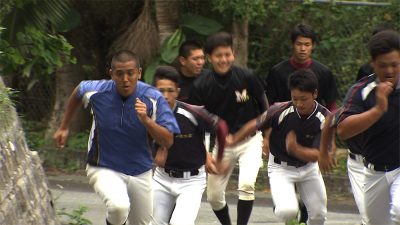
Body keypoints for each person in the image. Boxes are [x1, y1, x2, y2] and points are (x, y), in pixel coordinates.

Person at [52, 50, 180, 225]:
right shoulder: (97, 91)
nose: (125, 79)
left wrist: (146, 120)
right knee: (118, 207)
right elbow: (79, 91)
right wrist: (64, 126)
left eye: (130, 73)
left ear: (139, 73)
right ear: (111, 74)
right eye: (119, 74)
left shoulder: (154, 97)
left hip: (140, 170)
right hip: (103, 165)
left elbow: (168, 141)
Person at [227, 69, 329, 225]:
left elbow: (319, 154)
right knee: (287, 210)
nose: (299, 104)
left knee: (318, 216)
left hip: (309, 169)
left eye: (304, 99)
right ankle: (290, 211)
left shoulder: (325, 118)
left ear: (315, 94)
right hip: (281, 168)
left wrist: (296, 149)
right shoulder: (278, 110)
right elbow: (254, 124)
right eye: (295, 98)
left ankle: (302, 206)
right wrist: (234, 139)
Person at [188, 31, 269, 225]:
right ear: (209, 58)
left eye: (227, 54)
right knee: (214, 196)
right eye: (218, 56)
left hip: (251, 141)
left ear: (233, 53)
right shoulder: (201, 86)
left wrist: (267, 136)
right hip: (222, 145)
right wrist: (206, 154)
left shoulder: (247, 77)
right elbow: (197, 125)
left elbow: (266, 108)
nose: (224, 59)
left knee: (247, 185)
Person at [336, 30, 400, 225]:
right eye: (383, 65)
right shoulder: (361, 90)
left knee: (399, 211)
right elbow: (343, 130)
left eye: (395, 65)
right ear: (373, 64)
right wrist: (378, 109)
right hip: (375, 171)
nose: (389, 71)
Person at [151, 66, 228, 225]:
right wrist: (154, 153)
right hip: (162, 178)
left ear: (178, 91)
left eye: (170, 90)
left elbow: (221, 127)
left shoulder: (194, 112)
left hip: (191, 181)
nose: (165, 96)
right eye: (160, 90)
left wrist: (217, 158)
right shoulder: (148, 114)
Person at [265, 23, 338, 111]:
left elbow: (331, 105)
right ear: (292, 44)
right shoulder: (277, 72)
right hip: (285, 121)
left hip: (316, 122)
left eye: (307, 45)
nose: (303, 49)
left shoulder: (324, 73)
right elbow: (269, 104)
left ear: (313, 46)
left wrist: (331, 123)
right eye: (299, 44)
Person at [318, 105, 367, 225]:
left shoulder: (393, 102)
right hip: (359, 164)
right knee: (368, 213)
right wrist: (324, 151)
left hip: (389, 164)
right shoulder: (357, 102)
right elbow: (328, 121)